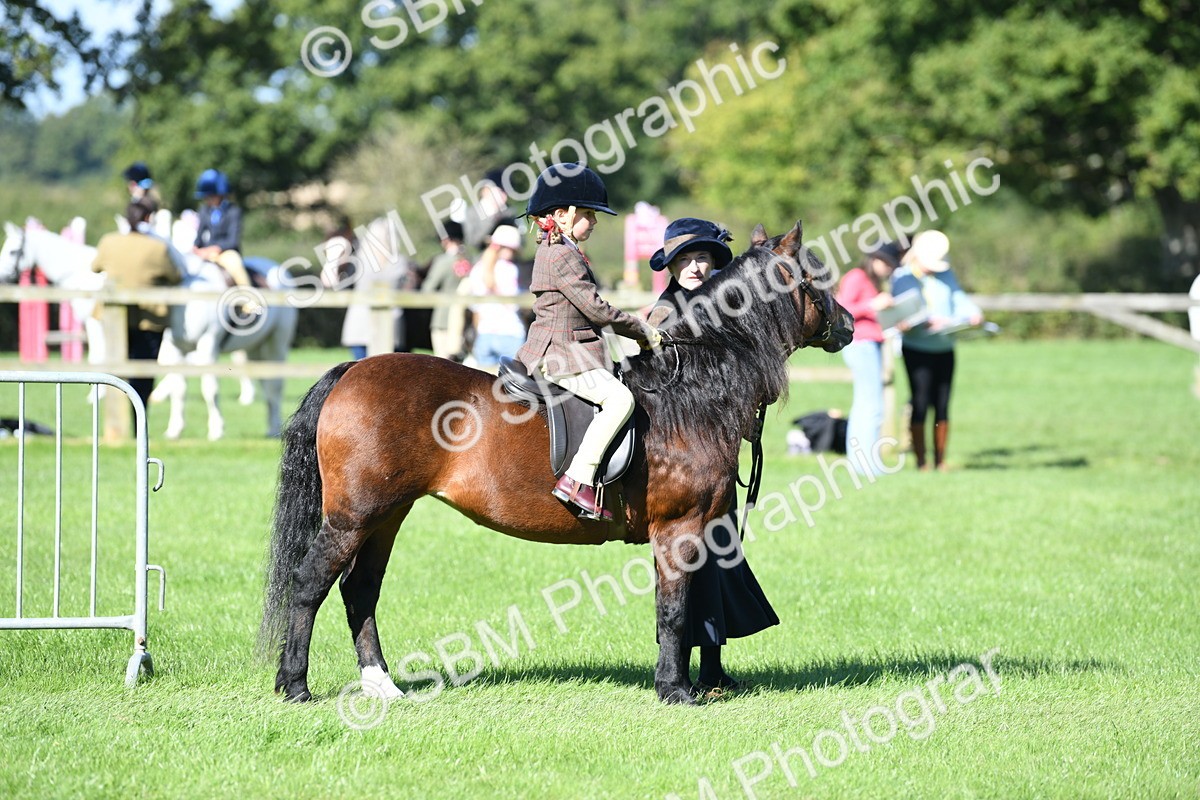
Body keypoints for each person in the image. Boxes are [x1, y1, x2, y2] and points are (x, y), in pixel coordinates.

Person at [649, 217, 779, 693]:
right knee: (690, 561)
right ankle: (676, 673)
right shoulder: (663, 316)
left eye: (703, 257)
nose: (696, 266)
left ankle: (712, 670)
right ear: (670, 264)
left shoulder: (725, 309)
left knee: (720, 562)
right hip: (681, 462)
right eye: (686, 258)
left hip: (714, 454)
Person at [516, 163, 662, 521]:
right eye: (587, 213)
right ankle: (578, 480)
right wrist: (643, 331)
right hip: (561, 353)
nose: (594, 221)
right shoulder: (561, 254)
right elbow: (597, 311)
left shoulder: (561, 249)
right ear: (561, 216)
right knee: (619, 400)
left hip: (571, 348)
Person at [890, 230, 983, 471]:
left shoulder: (946, 275)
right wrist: (925, 321)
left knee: (942, 404)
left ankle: (940, 459)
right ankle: (921, 461)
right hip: (917, 348)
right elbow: (903, 311)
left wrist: (972, 313)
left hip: (945, 347)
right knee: (920, 401)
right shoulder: (902, 277)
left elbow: (960, 300)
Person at [91, 199, 185, 408]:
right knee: (143, 377)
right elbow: (176, 276)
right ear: (148, 219)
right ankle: (138, 423)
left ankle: (117, 424)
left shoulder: (109, 241)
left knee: (116, 371)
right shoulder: (158, 248)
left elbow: (95, 266)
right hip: (148, 320)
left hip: (113, 320)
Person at [835, 242, 902, 476]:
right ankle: (864, 464)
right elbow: (842, 307)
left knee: (870, 404)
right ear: (873, 259)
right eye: (886, 264)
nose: (888, 269)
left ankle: (866, 462)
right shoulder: (857, 276)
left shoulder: (871, 281)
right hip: (861, 344)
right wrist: (873, 304)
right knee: (870, 405)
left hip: (870, 343)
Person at [193, 168, 257, 311]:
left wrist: (214, 248)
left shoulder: (233, 211)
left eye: (210, 196)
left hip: (226, 252)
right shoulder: (204, 211)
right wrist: (196, 248)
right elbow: (199, 235)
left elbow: (233, 240)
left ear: (220, 195)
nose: (207, 200)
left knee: (236, 267)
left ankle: (250, 303)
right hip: (207, 253)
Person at [467, 224, 526, 369]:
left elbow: (475, 306)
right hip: (510, 332)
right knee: (514, 387)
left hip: (485, 333)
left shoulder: (477, 269)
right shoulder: (510, 269)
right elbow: (514, 304)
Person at [423, 219, 472, 359]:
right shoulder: (471, 259)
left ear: (445, 240)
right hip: (467, 321)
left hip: (443, 320)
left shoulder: (443, 262)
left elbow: (428, 289)